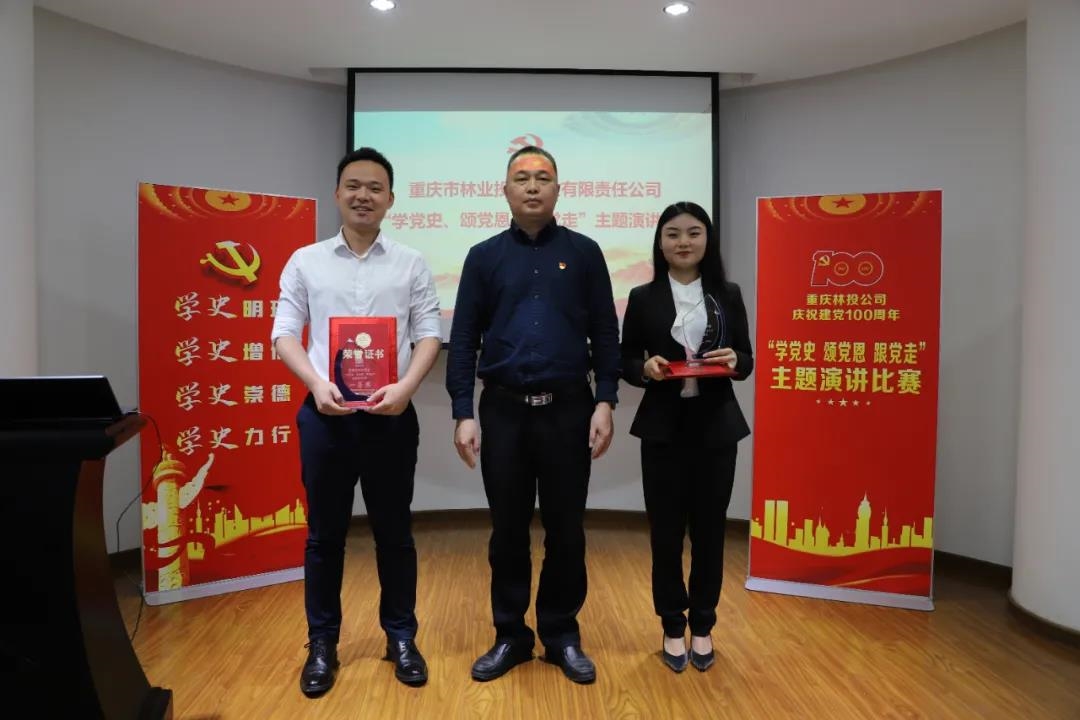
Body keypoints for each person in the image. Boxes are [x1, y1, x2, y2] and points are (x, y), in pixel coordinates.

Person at [271, 147, 443, 696]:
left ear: (391, 199)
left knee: (395, 534)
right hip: (326, 417)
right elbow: (283, 334)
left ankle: (401, 638)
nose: (363, 195)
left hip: (391, 417)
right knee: (324, 537)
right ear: (337, 193)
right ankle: (322, 644)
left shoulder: (411, 262)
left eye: (375, 188)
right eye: (353, 185)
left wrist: (406, 387)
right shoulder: (306, 260)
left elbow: (429, 333)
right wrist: (315, 383)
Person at [446, 145, 620, 685]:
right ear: (505, 190)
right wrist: (462, 411)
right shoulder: (483, 256)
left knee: (566, 530)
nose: (532, 186)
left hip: (569, 410)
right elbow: (463, 338)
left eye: (543, 178)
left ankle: (561, 634)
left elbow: (605, 332)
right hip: (503, 411)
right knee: (508, 532)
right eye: (521, 178)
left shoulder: (585, 253)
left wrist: (605, 400)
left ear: (558, 190)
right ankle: (511, 636)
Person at [619, 201, 754, 673]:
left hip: (716, 429)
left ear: (707, 240)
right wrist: (646, 368)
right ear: (660, 242)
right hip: (662, 431)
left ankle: (703, 625)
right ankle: (672, 625)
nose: (683, 242)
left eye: (694, 233)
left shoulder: (727, 294)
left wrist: (736, 360)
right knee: (666, 534)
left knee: (710, 533)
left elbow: (747, 358)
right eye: (673, 233)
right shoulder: (643, 296)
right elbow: (626, 359)